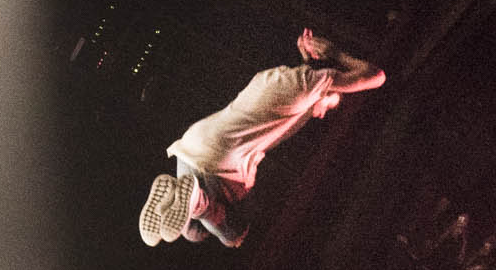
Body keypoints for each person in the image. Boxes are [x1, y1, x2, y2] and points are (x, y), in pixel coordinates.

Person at [138, 27, 385, 248]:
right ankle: (197, 203)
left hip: (192, 145)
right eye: (332, 102)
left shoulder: (277, 80)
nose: (324, 112)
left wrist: (309, 61)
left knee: (193, 232)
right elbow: (375, 76)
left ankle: (183, 200)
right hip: (219, 160)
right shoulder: (309, 83)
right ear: (323, 88)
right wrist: (335, 53)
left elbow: (300, 96)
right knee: (235, 234)